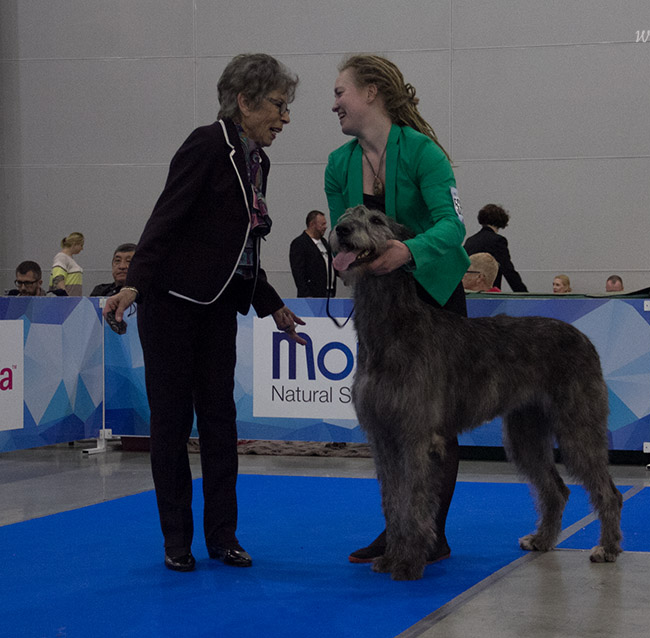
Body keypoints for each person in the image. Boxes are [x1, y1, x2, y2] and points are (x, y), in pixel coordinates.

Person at [104, 53, 306, 573]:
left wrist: (274, 306)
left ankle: (224, 538)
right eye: (279, 106)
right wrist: (132, 287)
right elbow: (164, 220)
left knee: (220, 423)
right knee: (171, 425)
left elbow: (239, 248)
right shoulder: (205, 143)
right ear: (245, 101)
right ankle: (177, 541)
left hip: (219, 308)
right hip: (171, 306)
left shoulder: (258, 161)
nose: (285, 117)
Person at [325, 54, 469, 565]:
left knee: (434, 419)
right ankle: (398, 530)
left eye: (341, 92)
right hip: (378, 307)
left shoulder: (424, 153)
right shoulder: (339, 163)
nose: (334, 102)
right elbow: (341, 233)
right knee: (386, 420)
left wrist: (406, 251)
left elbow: (453, 229)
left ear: (371, 93)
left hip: (432, 290)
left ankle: (432, 533)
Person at [463, 204, 527, 292]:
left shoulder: (470, 240)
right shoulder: (497, 241)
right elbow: (508, 270)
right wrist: (523, 294)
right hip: (488, 293)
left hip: (468, 292)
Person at [288, 210, 337, 297]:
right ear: (312, 224)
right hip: (312, 294)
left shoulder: (324, 242)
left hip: (329, 291)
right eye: (322, 224)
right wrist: (306, 294)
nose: (325, 227)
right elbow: (298, 272)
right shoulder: (300, 243)